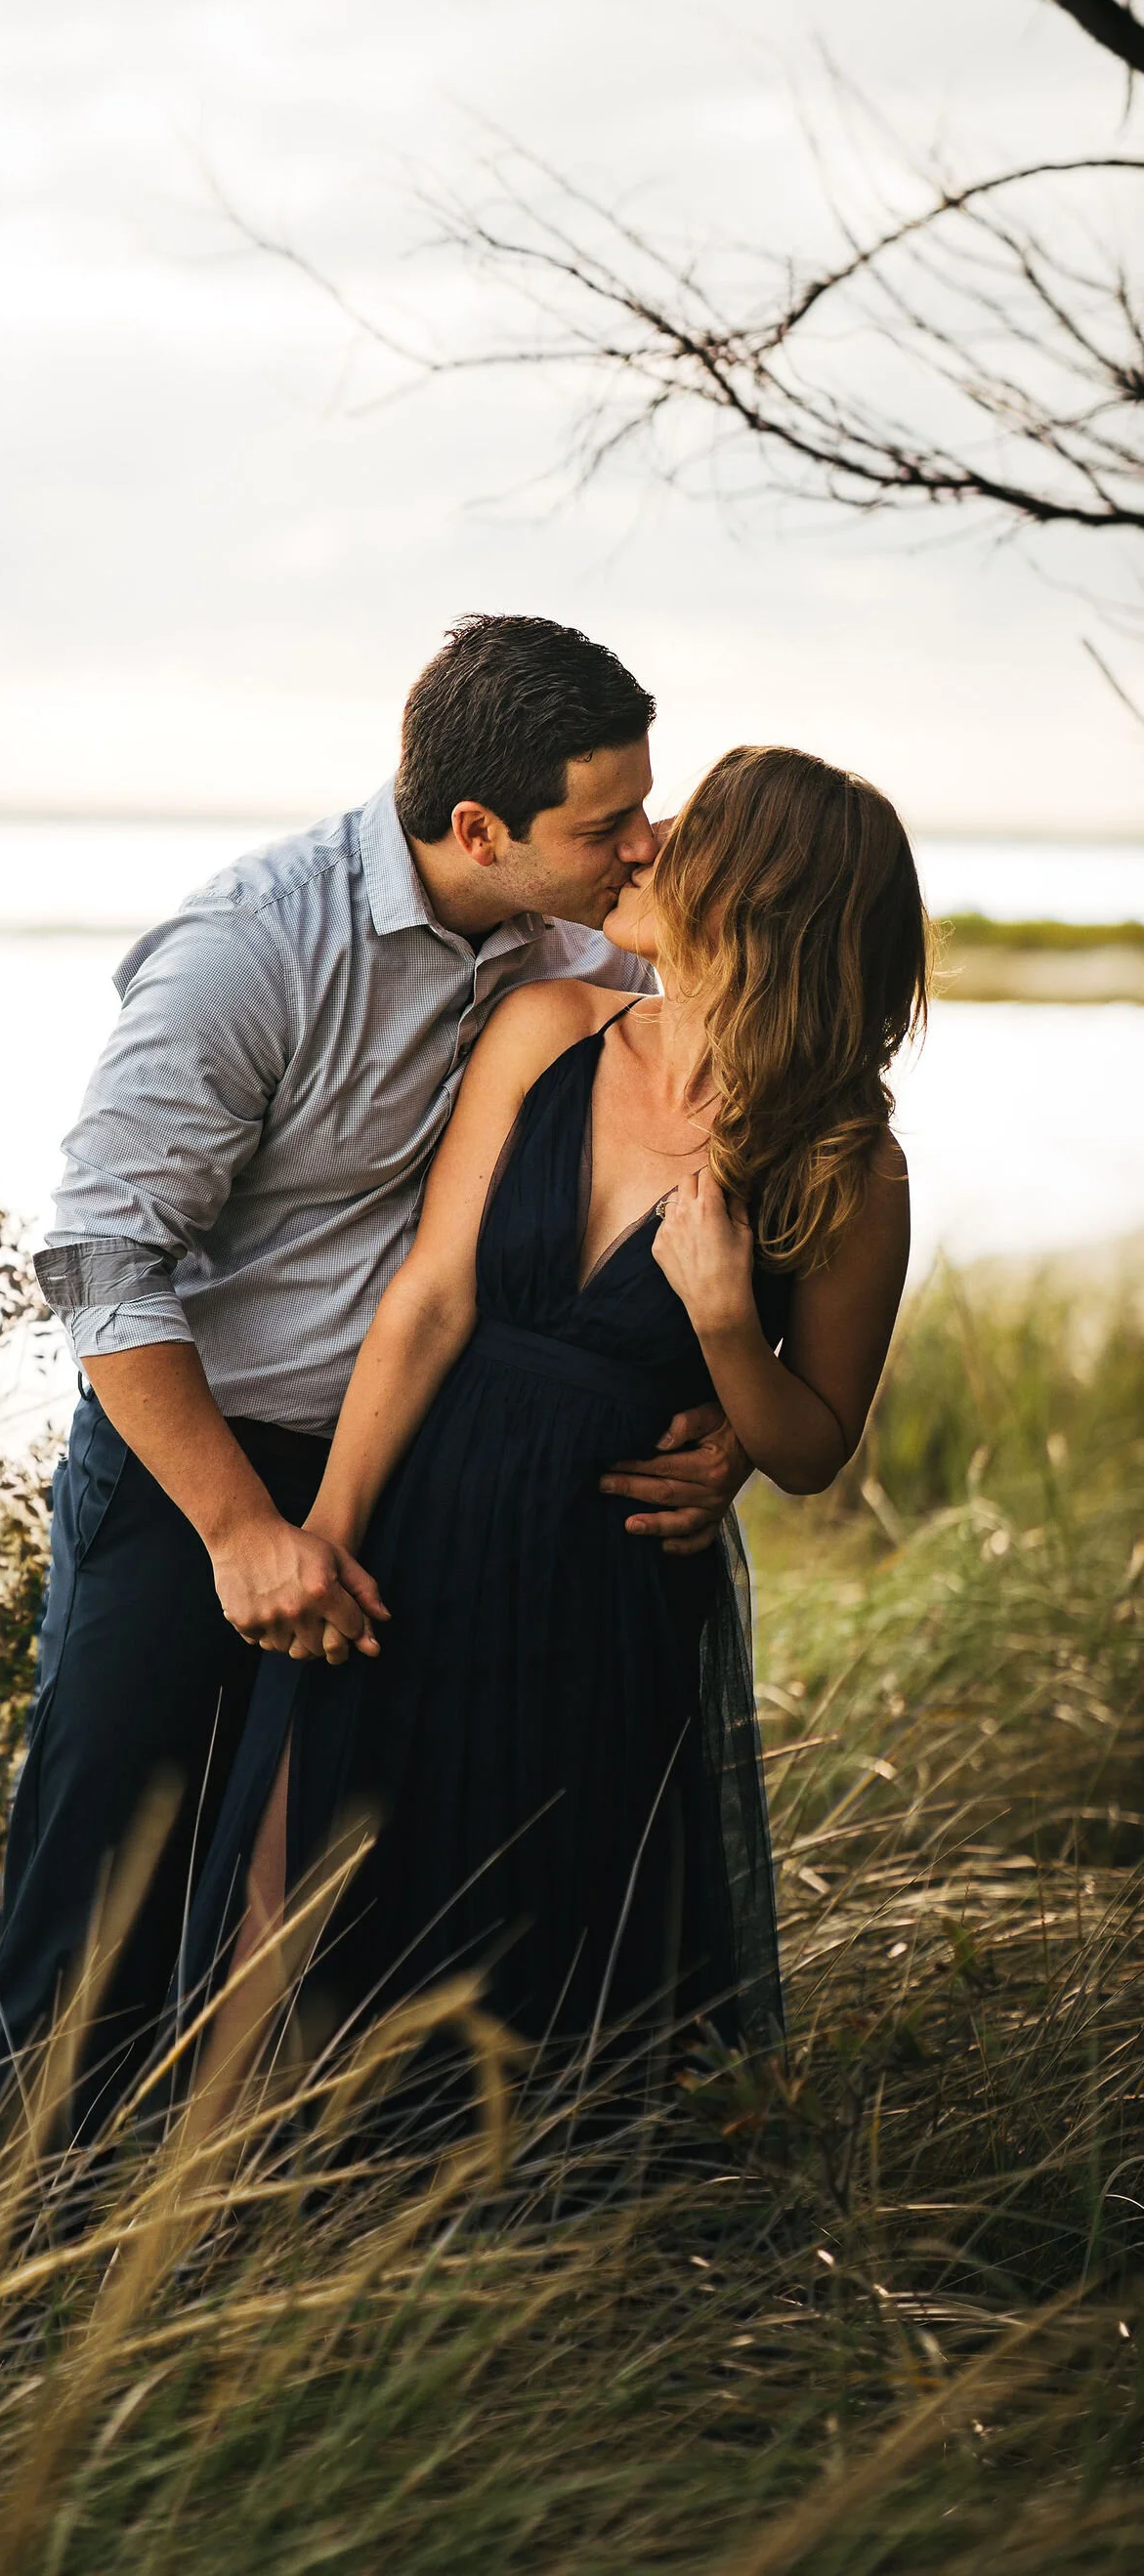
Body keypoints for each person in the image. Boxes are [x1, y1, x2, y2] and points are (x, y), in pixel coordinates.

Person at [0, 616, 750, 2201]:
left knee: (323, 1914)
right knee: (102, 1894)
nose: (646, 847)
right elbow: (99, 1253)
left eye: (644, 811)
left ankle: (246, 2266)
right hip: (199, 1478)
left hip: (416, 1494)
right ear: (475, 832)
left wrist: (733, 1413)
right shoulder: (252, 946)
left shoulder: (580, 935)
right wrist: (239, 1528)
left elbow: (761, 1031)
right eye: (610, 823)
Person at [179, 743, 926, 2118]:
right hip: (414, 1533)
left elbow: (816, 1444)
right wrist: (329, 1536)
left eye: (682, 837)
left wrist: (718, 1326)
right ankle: (204, 2244)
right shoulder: (549, 1024)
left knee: (535, 1944)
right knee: (284, 1910)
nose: (640, 849)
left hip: (601, 1588)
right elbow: (428, 1300)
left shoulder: (846, 1165)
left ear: (759, 902)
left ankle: (509, 2266)